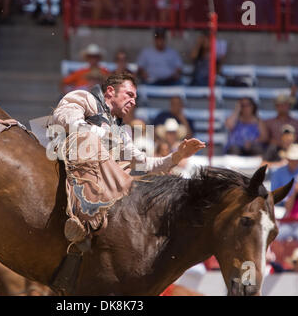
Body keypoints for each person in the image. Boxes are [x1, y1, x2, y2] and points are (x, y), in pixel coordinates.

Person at [50, 73, 205, 247]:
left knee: (128, 166)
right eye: (129, 94)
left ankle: (123, 216)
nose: (133, 101)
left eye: (135, 98)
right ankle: (85, 217)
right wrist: (103, 135)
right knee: (89, 140)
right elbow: (64, 120)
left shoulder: (122, 131)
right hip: (64, 161)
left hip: (100, 179)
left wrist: (177, 156)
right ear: (110, 91)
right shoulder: (84, 97)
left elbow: (144, 163)